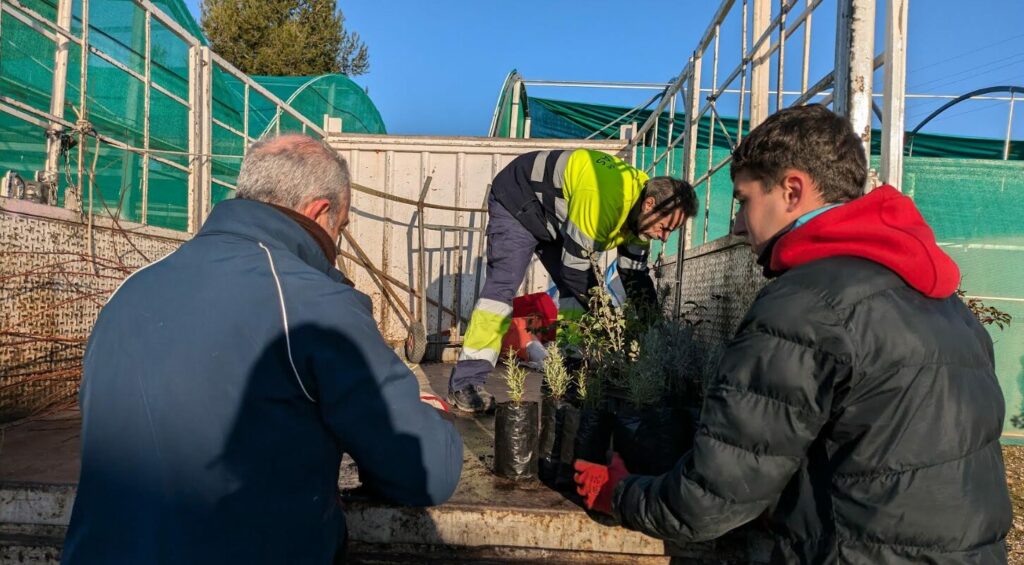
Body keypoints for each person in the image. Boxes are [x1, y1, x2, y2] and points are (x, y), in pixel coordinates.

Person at [573, 105, 1012, 563]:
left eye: (744, 201)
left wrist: (619, 492)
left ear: (792, 190)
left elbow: (714, 499)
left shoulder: (806, 305)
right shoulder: (945, 304)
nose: (738, 224)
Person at [63, 135, 463, 564]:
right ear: (320, 212)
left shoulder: (128, 291)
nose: (339, 242)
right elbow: (426, 472)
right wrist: (429, 408)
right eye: (342, 227)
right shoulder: (314, 302)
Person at [448, 148, 698, 413]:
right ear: (650, 204)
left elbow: (634, 278)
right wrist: (608, 320)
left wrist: (654, 329)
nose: (664, 238)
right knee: (502, 288)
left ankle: (568, 376)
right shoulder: (604, 197)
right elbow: (575, 270)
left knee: (574, 298)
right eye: (665, 227)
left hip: (555, 217)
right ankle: (466, 383)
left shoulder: (642, 220)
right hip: (519, 200)